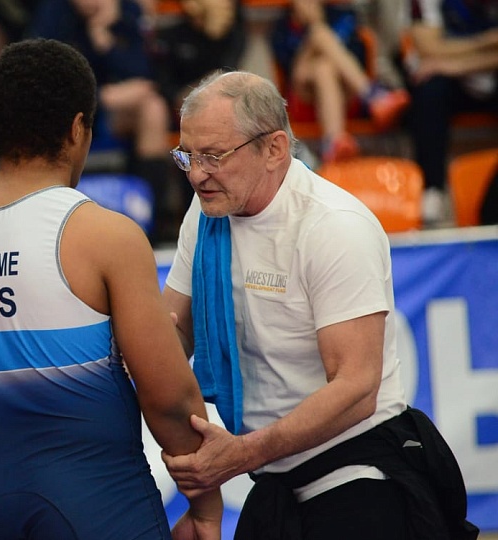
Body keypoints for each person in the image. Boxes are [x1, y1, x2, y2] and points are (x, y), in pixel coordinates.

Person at [0, 38, 223, 540]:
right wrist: (205, 507)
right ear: (77, 129)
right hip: (96, 503)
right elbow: (169, 399)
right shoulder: (104, 235)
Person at [160, 70, 478, 539]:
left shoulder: (334, 226)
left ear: (274, 148)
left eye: (213, 156)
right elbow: (173, 333)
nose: (196, 174)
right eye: (187, 155)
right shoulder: (207, 211)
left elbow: (357, 388)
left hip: (357, 471)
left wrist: (242, 454)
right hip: (273, 476)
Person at [27, 0, 180, 243]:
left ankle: (153, 219)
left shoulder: (127, 12)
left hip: (111, 114)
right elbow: (43, 80)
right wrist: (100, 96)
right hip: (68, 110)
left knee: (153, 108)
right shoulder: (53, 14)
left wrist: (104, 38)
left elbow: (145, 76)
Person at [270, 0, 411, 163]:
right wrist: (314, 25)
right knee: (319, 35)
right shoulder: (282, 28)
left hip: (345, 94)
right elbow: (288, 71)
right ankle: (373, 96)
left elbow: (358, 56)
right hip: (304, 97)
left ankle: (334, 141)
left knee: (324, 68)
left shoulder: (341, 16)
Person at [404, 0, 498, 224]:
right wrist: (487, 41)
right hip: (448, 81)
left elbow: (438, 52)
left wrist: (453, 63)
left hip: (484, 72)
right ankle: (431, 188)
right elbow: (428, 49)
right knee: (429, 89)